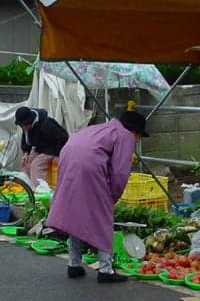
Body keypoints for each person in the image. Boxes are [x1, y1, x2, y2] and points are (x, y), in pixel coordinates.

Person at [45, 110, 149, 283]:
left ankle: (74, 264)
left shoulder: (100, 129)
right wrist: (111, 198)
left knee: (76, 214)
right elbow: (120, 172)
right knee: (102, 217)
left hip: (68, 159)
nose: (137, 140)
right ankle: (106, 269)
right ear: (135, 131)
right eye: (139, 136)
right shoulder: (125, 136)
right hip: (89, 167)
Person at [14, 106, 68, 187]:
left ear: (31, 121)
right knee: (26, 163)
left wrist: (58, 154)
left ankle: (40, 190)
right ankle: (28, 187)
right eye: (22, 126)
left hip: (52, 148)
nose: (24, 128)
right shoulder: (25, 127)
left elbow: (62, 137)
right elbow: (26, 140)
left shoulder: (46, 124)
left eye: (25, 125)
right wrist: (26, 152)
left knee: (36, 166)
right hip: (39, 148)